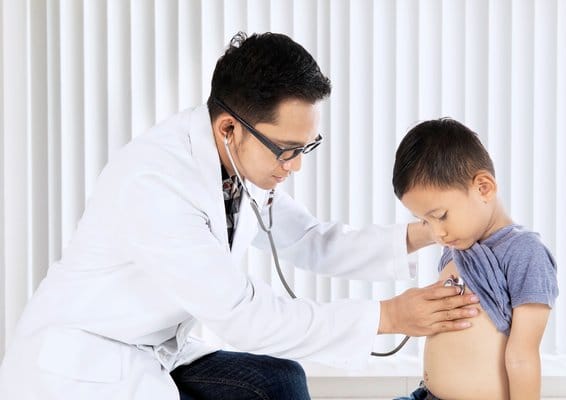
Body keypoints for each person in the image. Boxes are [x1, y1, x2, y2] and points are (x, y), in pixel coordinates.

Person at [0, 32, 480, 400]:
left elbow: (309, 239)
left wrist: (426, 231)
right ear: (230, 127)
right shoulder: (154, 183)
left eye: (306, 147)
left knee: (277, 382)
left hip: (155, 350)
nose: (295, 167)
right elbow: (243, 316)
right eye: (286, 150)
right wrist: (391, 316)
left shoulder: (237, 165)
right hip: (85, 363)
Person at [391, 118, 559, 400]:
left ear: (483, 188)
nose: (437, 233)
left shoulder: (524, 252)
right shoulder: (456, 248)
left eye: (441, 216)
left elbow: (522, 356)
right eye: (425, 222)